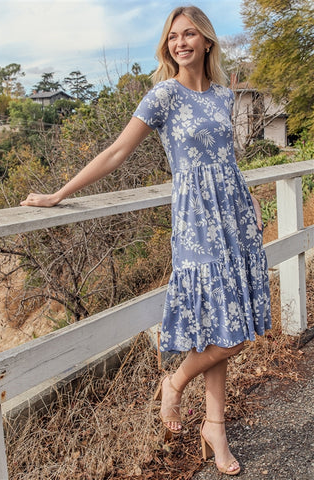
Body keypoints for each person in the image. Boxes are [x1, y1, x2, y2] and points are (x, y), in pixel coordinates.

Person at [21, 5, 271, 476]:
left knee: (229, 325)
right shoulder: (164, 97)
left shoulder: (222, 95)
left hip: (235, 218)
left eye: (190, 34)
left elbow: (228, 162)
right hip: (197, 222)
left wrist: (252, 202)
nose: (181, 42)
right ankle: (175, 384)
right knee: (228, 331)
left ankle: (214, 426)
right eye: (173, 36)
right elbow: (116, 150)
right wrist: (59, 193)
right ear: (167, 45)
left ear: (207, 41)